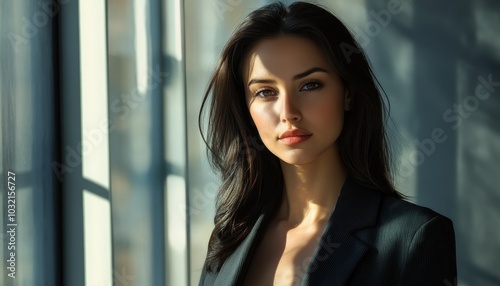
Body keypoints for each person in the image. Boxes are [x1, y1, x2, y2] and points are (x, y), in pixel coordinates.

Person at [198, 2, 457, 285]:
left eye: (310, 85)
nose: (288, 112)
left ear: (347, 94)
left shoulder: (413, 237)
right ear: (245, 108)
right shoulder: (229, 239)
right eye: (265, 92)